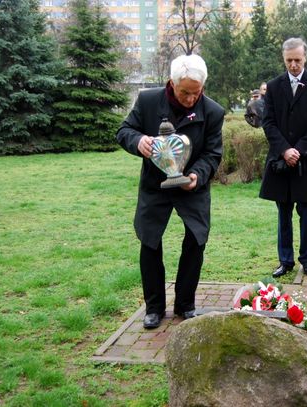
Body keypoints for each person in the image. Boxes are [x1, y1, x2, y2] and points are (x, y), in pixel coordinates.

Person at [116, 54, 224, 329]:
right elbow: (124, 130)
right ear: (171, 84)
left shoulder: (212, 112)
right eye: (184, 92)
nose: (190, 98)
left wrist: (196, 176)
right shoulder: (148, 101)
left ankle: (185, 304)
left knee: (196, 240)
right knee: (149, 240)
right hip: (155, 186)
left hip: (192, 186)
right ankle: (154, 307)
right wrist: (138, 140)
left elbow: (213, 153)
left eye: (196, 92)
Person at [260, 37, 307, 278]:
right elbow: (267, 122)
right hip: (281, 161)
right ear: (284, 59)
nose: (293, 65)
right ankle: (285, 260)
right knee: (283, 213)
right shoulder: (274, 86)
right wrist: (284, 150)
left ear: (305, 58)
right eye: (289, 60)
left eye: (297, 60)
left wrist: (298, 149)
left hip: (305, 161)